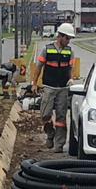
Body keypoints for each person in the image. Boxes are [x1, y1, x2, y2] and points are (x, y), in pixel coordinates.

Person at [31, 22, 78, 153]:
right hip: (48, 87)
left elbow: (71, 68)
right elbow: (38, 67)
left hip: (63, 88)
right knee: (45, 114)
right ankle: (50, 133)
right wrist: (34, 83)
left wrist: (71, 79)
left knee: (61, 118)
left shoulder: (70, 51)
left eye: (69, 39)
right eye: (67, 38)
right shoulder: (47, 49)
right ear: (60, 36)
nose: (68, 41)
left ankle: (59, 145)